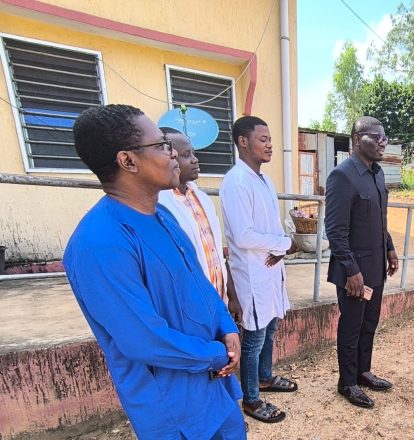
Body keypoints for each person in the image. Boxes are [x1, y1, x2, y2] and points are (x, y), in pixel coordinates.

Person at [63, 104, 245, 440]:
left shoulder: (164, 217)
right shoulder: (99, 244)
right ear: (128, 161)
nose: (174, 154)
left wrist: (225, 325)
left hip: (214, 386)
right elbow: (144, 340)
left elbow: (199, 282)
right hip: (173, 407)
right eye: (162, 145)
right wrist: (218, 353)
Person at [157, 127, 244, 406]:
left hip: (216, 299)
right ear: (167, 158)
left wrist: (231, 292)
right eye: (185, 155)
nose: (194, 160)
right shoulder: (161, 203)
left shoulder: (201, 197)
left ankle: (226, 410)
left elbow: (217, 252)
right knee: (201, 367)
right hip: (190, 307)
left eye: (193, 153)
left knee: (225, 359)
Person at [219, 116, 298, 424]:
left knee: (271, 328)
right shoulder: (236, 181)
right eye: (263, 139)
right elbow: (243, 235)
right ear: (243, 142)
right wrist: (281, 243)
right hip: (251, 274)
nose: (270, 145)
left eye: (270, 139)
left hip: (270, 269)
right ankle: (251, 398)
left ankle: (265, 378)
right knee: (253, 338)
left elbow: (271, 227)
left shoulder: (264, 179)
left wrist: (280, 250)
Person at [325, 116, 399, 409]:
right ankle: (347, 382)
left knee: (370, 323)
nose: (383, 141)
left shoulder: (377, 174)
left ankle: (363, 371)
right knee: (351, 326)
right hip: (353, 273)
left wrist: (390, 249)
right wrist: (352, 270)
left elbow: (380, 219)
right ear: (357, 139)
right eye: (376, 136)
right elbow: (335, 231)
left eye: (385, 136)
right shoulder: (342, 176)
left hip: (376, 268)